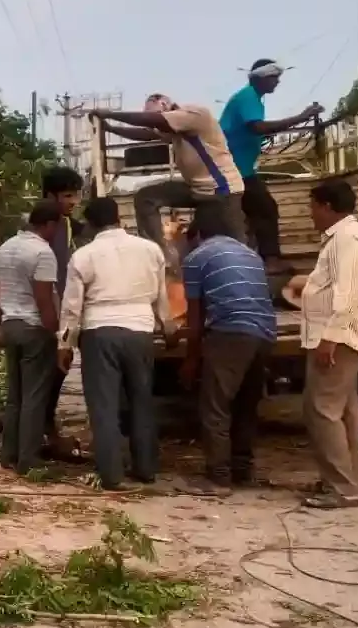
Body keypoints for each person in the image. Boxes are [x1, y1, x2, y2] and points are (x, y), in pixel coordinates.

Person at [58, 197, 177, 490]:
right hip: (140, 330)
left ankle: (111, 474)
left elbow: (72, 306)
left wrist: (65, 343)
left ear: (92, 224)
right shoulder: (150, 250)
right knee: (141, 401)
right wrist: (169, 326)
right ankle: (146, 468)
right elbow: (160, 295)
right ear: (119, 218)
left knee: (104, 406)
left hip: (99, 333)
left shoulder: (84, 256)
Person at [298, 178, 358, 509]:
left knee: (322, 410)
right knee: (344, 410)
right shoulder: (350, 236)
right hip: (346, 334)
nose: (311, 214)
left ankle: (342, 488)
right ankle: (345, 479)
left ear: (327, 206)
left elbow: (346, 294)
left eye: (313, 206)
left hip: (338, 337)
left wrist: (329, 338)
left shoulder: (346, 239)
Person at [179, 210, 277, 489]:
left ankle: (218, 476)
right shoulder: (250, 254)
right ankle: (242, 470)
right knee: (246, 405)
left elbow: (195, 320)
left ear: (197, 235)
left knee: (215, 407)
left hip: (232, 333)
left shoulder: (196, 258)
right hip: (265, 333)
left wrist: (190, 360)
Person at [92, 95, 247, 256]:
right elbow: (145, 134)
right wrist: (110, 128)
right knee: (146, 197)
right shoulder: (173, 129)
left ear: (166, 106)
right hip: (196, 189)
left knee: (233, 247)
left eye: (155, 119)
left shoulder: (194, 115)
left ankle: (249, 272)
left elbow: (153, 122)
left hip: (222, 190)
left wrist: (110, 114)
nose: (155, 125)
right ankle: (159, 254)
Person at [220, 60, 323, 271]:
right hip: (236, 170)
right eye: (274, 77)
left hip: (238, 168)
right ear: (261, 77)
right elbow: (257, 127)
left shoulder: (252, 98)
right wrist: (301, 117)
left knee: (251, 215)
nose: (277, 82)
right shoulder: (249, 96)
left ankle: (257, 261)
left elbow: (257, 130)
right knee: (266, 209)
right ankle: (271, 261)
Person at [0, 200, 64, 475]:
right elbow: (44, 300)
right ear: (48, 224)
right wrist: (57, 333)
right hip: (34, 328)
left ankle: (8, 454)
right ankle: (28, 460)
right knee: (35, 397)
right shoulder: (43, 253)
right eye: (56, 226)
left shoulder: (5, 247)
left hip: (10, 324)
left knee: (15, 396)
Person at [40, 166, 86, 440]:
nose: (74, 202)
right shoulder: (48, 224)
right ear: (50, 195)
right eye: (67, 196)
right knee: (49, 372)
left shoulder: (66, 224)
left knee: (56, 372)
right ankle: (42, 428)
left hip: (61, 307)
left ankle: (45, 425)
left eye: (76, 196)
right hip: (49, 310)